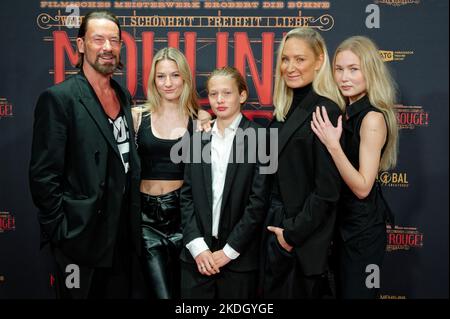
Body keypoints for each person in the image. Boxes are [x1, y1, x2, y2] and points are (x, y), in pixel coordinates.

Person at [29, 10, 141, 298]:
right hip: (79, 242)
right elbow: (43, 175)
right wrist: (63, 233)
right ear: (80, 45)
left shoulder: (122, 95)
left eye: (114, 40)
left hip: (122, 241)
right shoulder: (59, 98)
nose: (107, 47)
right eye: (98, 39)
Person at [260, 27, 345, 299]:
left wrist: (291, 234)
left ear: (319, 61)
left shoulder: (324, 109)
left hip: (299, 243)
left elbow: (327, 191)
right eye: (285, 59)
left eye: (300, 59)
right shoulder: (283, 112)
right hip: (273, 234)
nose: (290, 67)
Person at [311, 36, 398, 299]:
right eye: (339, 69)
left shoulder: (371, 118)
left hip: (361, 233)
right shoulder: (343, 112)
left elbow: (362, 187)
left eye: (353, 69)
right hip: (339, 227)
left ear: (369, 71)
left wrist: (333, 145)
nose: (344, 77)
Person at [180, 67, 269, 299]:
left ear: (242, 95)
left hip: (239, 261)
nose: (219, 100)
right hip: (197, 259)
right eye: (213, 94)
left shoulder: (263, 139)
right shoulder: (197, 139)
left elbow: (259, 203)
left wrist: (229, 251)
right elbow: (186, 196)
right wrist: (198, 247)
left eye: (227, 93)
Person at [132, 47, 211, 299]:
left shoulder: (199, 119)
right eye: (161, 76)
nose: (168, 83)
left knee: (185, 294)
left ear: (185, 78)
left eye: (175, 75)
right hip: (146, 219)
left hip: (184, 216)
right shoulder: (137, 116)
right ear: (153, 80)